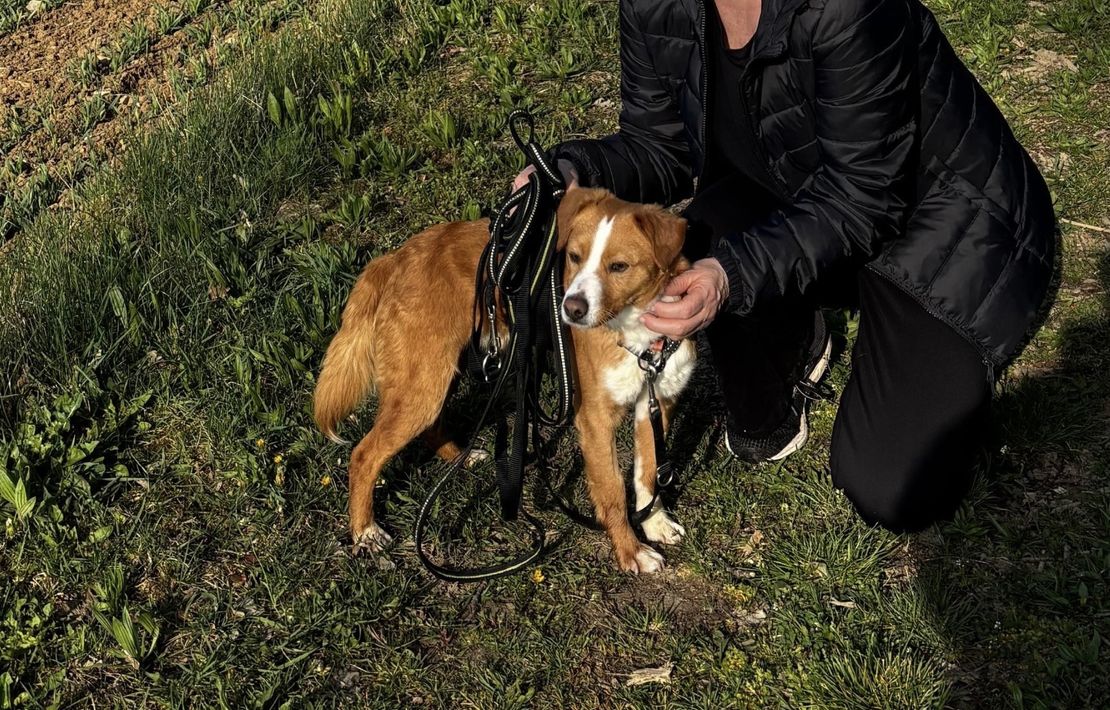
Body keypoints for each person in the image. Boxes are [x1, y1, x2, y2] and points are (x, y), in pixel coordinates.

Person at [512, 0, 1057, 532]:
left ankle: (928, 343)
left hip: (943, 227)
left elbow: (862, 199)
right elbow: (659, 145)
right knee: (699, 239)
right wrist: (569, 171)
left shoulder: (846, 9)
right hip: (792, 195)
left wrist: (730, 274)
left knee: (892, 488)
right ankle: (798, 341)